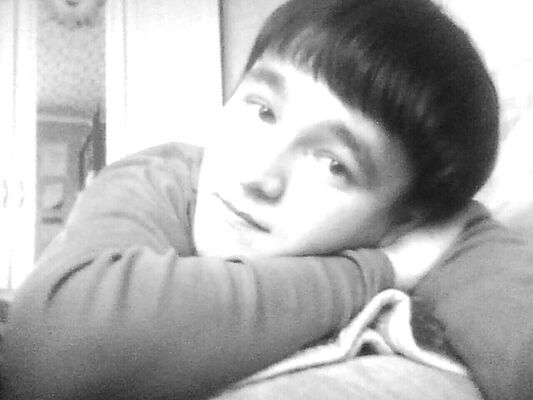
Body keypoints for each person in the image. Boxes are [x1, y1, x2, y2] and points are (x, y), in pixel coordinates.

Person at [2, 0, 533, 399]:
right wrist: (379, 270)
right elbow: (54, 349)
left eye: (334, 164)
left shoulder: (440, 231)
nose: (256, 174)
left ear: (404, 220)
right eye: (262, 110)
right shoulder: (163, 174)